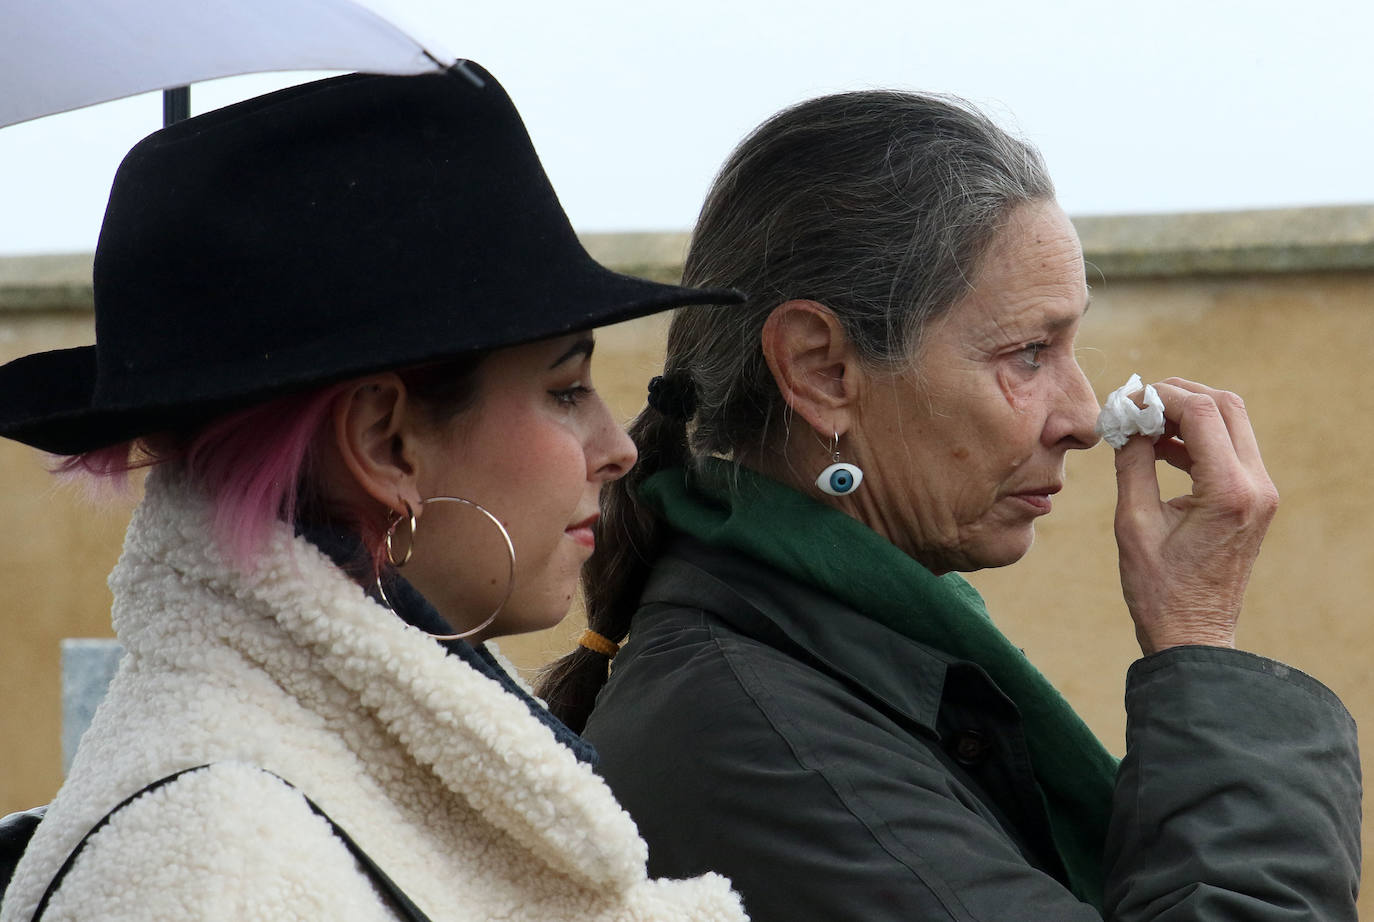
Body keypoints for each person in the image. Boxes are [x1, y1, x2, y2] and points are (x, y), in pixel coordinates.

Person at [538, 90, 1362, 920]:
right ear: (822, 370)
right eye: (1030, 353)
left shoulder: (822, 666)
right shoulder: (761, 744)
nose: (1080, 416)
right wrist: (1200, 645)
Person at [0, 65, 747, 922]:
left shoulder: (294, 815)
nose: (617, 449)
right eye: (566, 390)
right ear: (385, 442)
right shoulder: (224, 872)